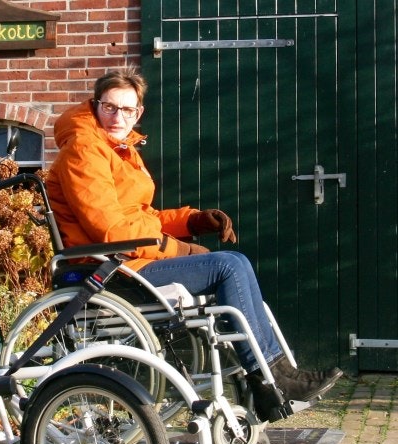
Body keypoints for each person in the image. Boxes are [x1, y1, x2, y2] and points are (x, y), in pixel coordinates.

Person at [45, 67, 343, 422]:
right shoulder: (84, 149)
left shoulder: (117, 148)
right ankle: (270, 378)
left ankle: (272, 376)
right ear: (95, 106)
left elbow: (142, 214)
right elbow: (112, 229)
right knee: (228, 266)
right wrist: (179, 248)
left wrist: (192, 220)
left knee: (234, 261)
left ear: (138, 112)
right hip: (109, 270)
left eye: (127, 110)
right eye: (110, 107)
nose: (118, 117)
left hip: (129, 260)